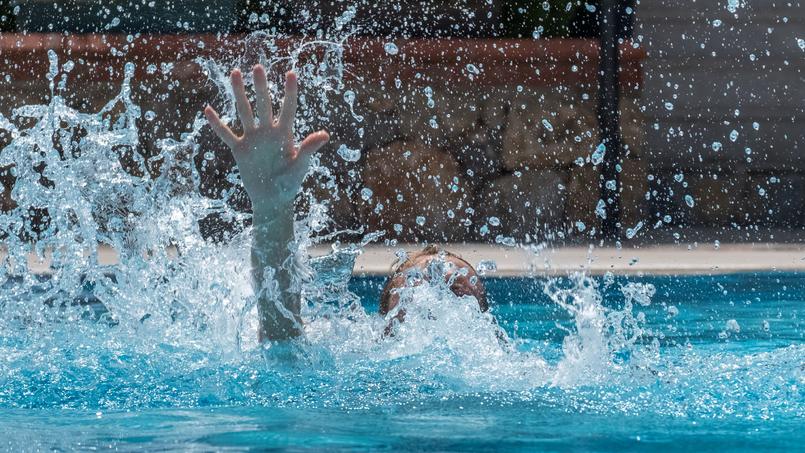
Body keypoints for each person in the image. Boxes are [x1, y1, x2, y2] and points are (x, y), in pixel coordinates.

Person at [205, 65, 487, 342]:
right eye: (419, 277)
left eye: (456, 287)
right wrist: (271, 209)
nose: (437, 281)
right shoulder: (364, 361)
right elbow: (283, 346)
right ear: (385, 326)